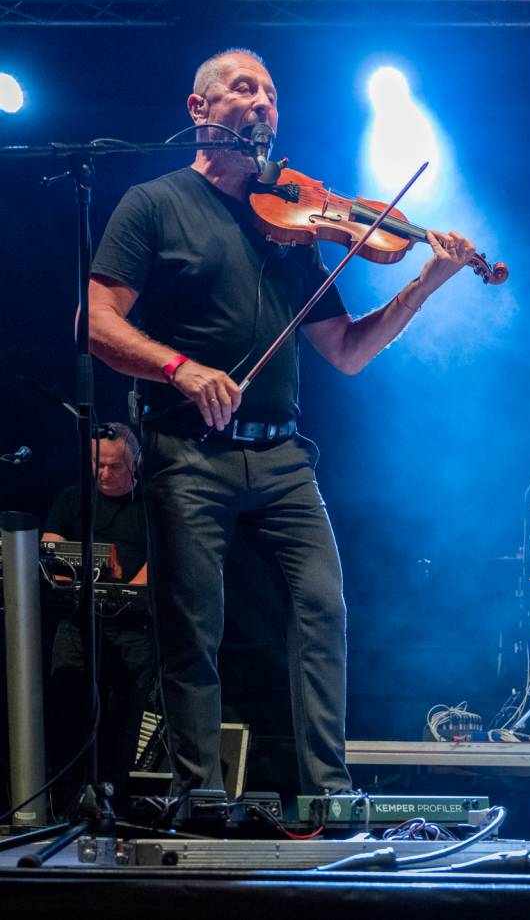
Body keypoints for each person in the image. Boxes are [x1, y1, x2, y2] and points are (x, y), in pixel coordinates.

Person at [85, 48, 483, 805]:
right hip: (186, 450)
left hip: (282, 459)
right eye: (243, 88)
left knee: (322, 609)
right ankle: (201, 800)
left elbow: (348, 351)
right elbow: (95, 323)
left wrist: (429, 279)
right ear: (199, 109)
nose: (263, 101)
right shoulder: (155, 203)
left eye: (271, 91)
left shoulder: (291, 221)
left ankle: (328, 798)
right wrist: (180, 369)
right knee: (191, 628)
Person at [41, 422, 157, 810]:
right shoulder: (73, 498)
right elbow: (49, 555)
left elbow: (147, 580)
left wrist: (122, 585)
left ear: (135, 464)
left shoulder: (151, 507)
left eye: (114, 467)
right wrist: (94, 569)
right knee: (69, 714)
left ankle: (114, 806)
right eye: (97, 465)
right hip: (77, 625)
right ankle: (66, 805)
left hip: (133, 633)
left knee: (123, 723)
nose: (104, 474)